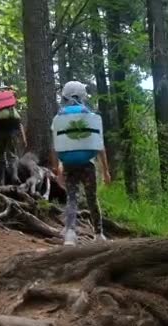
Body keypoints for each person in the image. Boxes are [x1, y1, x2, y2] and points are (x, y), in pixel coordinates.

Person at [51, 81, 112, 246]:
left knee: (72, 199)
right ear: (82, 94)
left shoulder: (60, 117)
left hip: (69, 164)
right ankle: (99, 234)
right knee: (92, 198)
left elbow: (56, 144)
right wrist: (105, 170)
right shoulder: (88, 115)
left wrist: (57, 168)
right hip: (87, 163)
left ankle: (70, 234)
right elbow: (99, 145)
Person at [0, 86, 27, 185]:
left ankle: (1, 180)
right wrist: (24, 138)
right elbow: (19, 123)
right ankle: (14, 175)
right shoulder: (12, 108)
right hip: (11, 133)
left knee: (0, 156)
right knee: (12, 155)